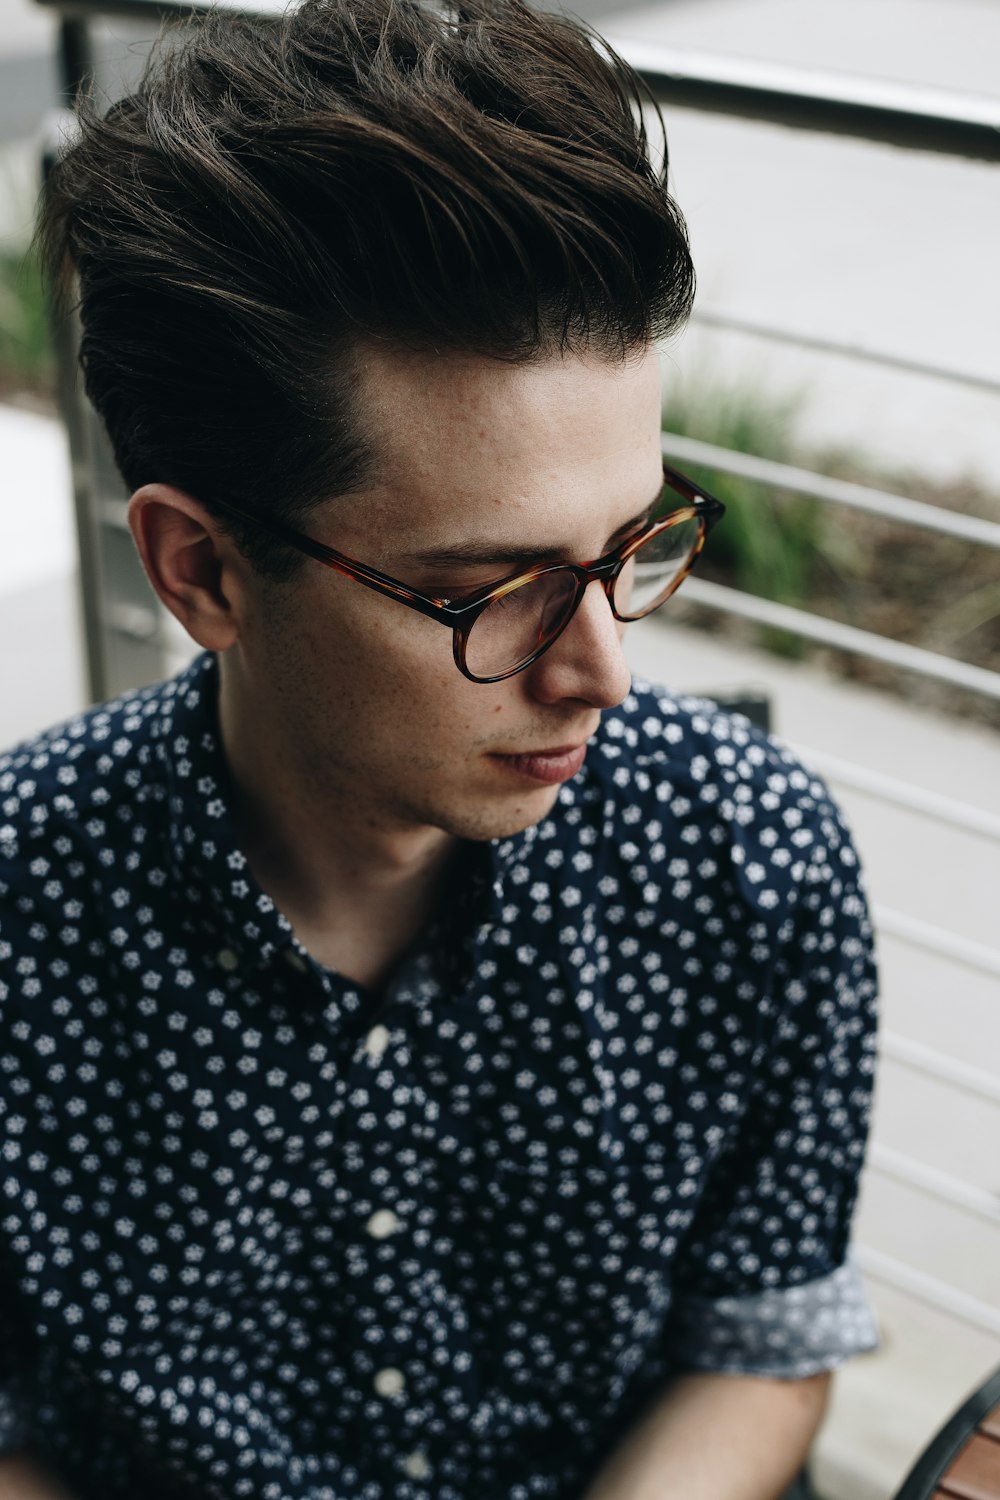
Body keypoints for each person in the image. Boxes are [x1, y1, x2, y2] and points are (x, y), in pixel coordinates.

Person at [0, 0, 879, 1495]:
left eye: (629, 548)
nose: (604, 670)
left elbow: (760, 1337)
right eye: (489, 592)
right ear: (201, 572)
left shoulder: (751, 855)